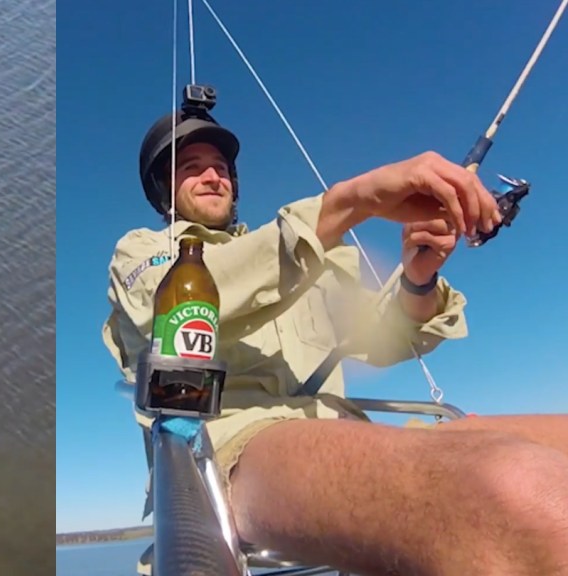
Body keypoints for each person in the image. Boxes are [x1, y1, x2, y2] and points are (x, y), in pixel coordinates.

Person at [103, 104, 568, 575]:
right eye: (191, 168)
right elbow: (173, 300)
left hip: (348, 435)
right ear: (164, 189)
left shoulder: (307, 257)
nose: (212, 176)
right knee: (518, 495)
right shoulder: (144, 254)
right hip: (235, 453)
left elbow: (382, 339)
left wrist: (418, 277)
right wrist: (352, 201)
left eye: (221, 168)